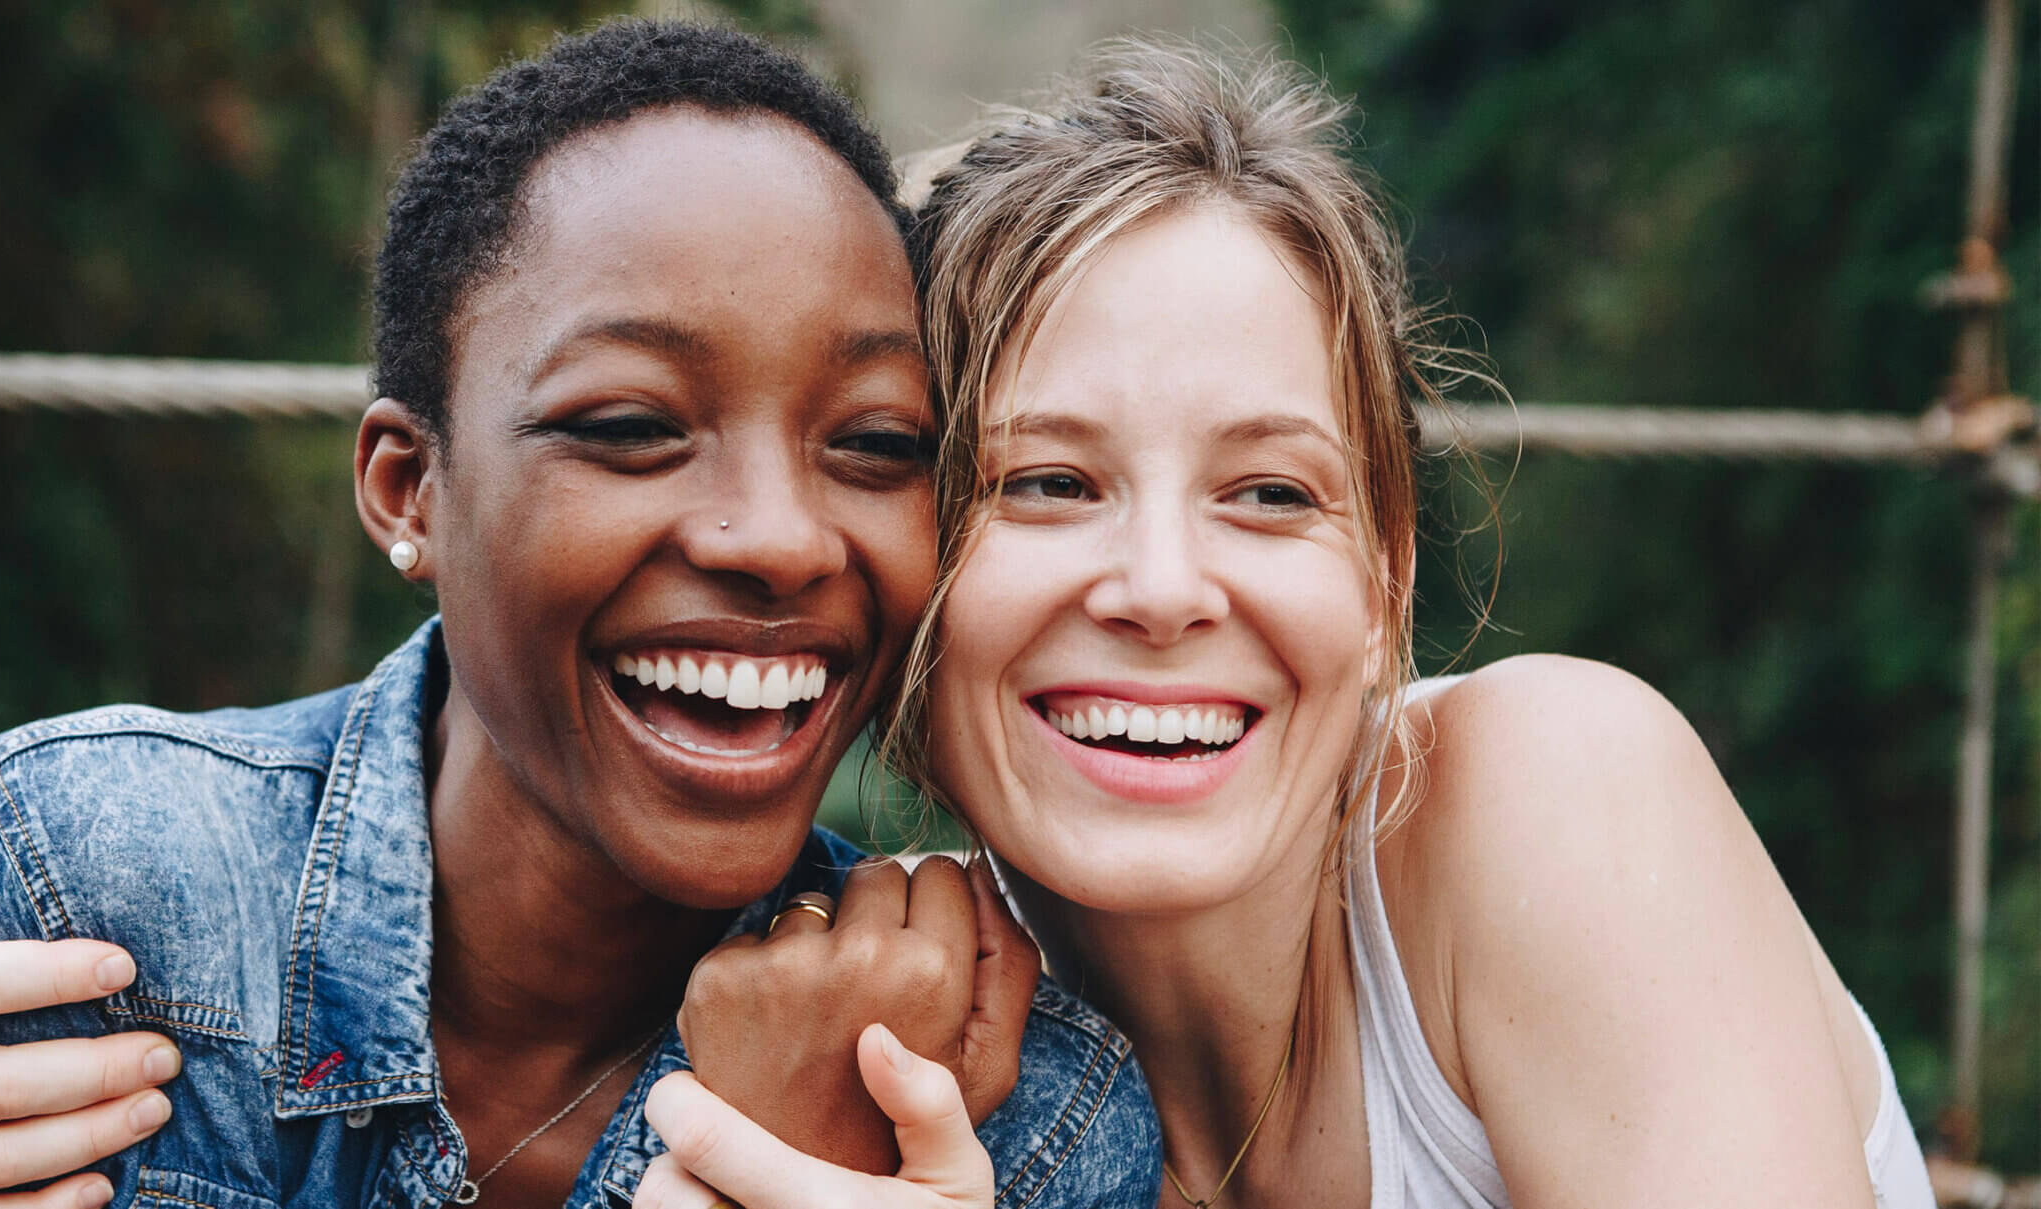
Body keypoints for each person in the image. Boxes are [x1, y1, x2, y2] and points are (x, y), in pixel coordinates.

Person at [0, 20, 1163, 1209]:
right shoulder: (104, 887)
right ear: (411, 490)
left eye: (873, 443)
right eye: (630, 424)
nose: (782, 538)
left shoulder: (1020, 1119)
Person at [632, 40, 1940, 1209]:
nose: (1161, 586)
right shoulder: (918, 1055)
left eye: (1268, 493)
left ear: (1383, 583)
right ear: (905, 579)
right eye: (1046, 483)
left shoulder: (1559, 791)